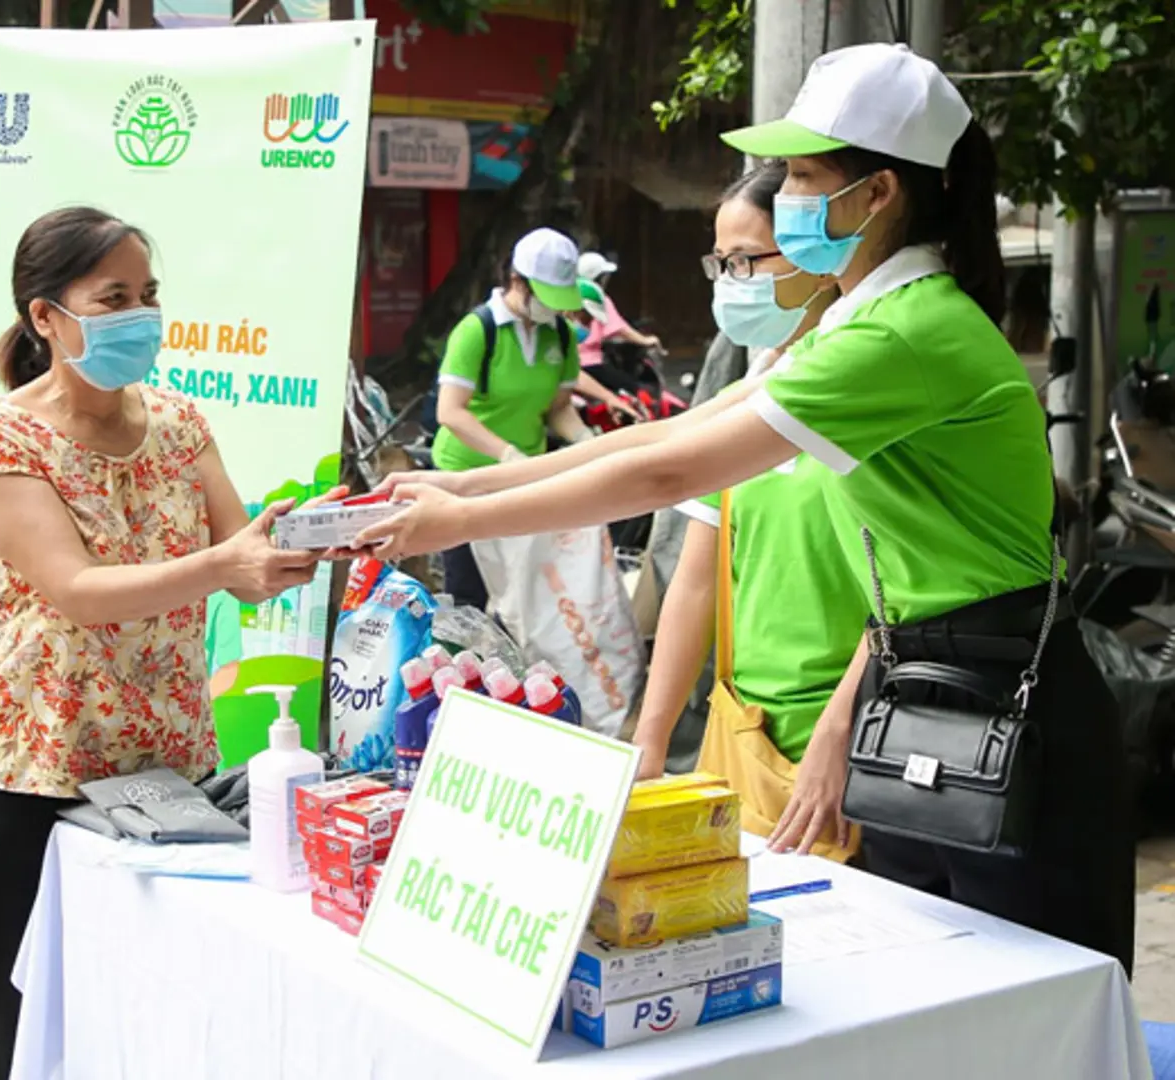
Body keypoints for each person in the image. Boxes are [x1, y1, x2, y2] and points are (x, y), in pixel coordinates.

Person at [360, 43, 1133, 971]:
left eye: (806, 176)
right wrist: (464, 485)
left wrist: (461, 521)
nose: (792, 196)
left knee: (1026, 1008)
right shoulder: (853, 325)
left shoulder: (905, 332)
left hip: (1007, 705)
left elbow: (666, 477)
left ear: (879, 192)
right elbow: (660, 439)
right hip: (925, 685)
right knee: (923, 994)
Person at [0, 206, 335, 1078]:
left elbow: (238, 545)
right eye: (113, 296)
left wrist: (301, 547)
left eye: (148, 295)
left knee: (154, 1020)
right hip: (36, 779)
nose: (141, 315)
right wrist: (227, 564)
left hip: (166, 774)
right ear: (46, 317)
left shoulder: (177, 420)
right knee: (33, 1025)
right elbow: (79, 592)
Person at [633, 162, 864, 860]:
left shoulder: (869, 382)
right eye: (721, 263)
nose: (731, 283)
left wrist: (839, 731)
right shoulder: (753, 381)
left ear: (815, 258)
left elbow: (910, 592)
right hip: (742, 737)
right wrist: (648, 741)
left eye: (746, 261)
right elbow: (696, 584)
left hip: (849, 739)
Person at [430, 227, 636, 610]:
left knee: (528, 596)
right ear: (516, 281)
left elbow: (558, 408)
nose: (553, 308)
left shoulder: (559, 335)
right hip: (465, 476)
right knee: (468, 598)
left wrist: (587, 443)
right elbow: (450, 412)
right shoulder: (477, 332)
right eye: (545, 296)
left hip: (526, 481)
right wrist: (507, 454)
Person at [575, 250, 662, 368]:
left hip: (573, 361)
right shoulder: (600, 299)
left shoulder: (571, 296)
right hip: (591, 361)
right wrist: (645, 340)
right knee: (633, 387)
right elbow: (618, 328)